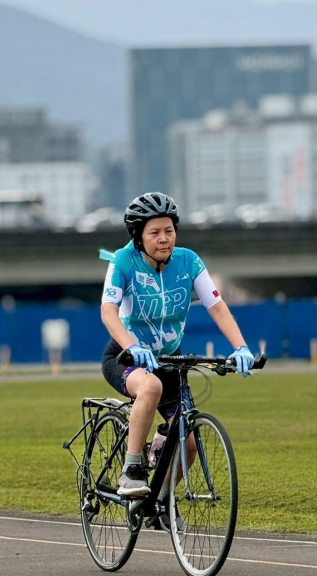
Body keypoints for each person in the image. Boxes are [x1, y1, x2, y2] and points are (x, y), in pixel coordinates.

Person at [100, 192, 254, 500]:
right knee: (150, 387)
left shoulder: (189, 262)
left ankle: (161, 501)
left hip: (169, 360)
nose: (164, 239)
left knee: (190, 441)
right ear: (138, 237)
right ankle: (132, 471)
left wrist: (241, 347)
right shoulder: (122, 261)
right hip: (125, 357)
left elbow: (217, 306)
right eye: (154, 232)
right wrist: (132, 345)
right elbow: (108, 312)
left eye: (169, 230)